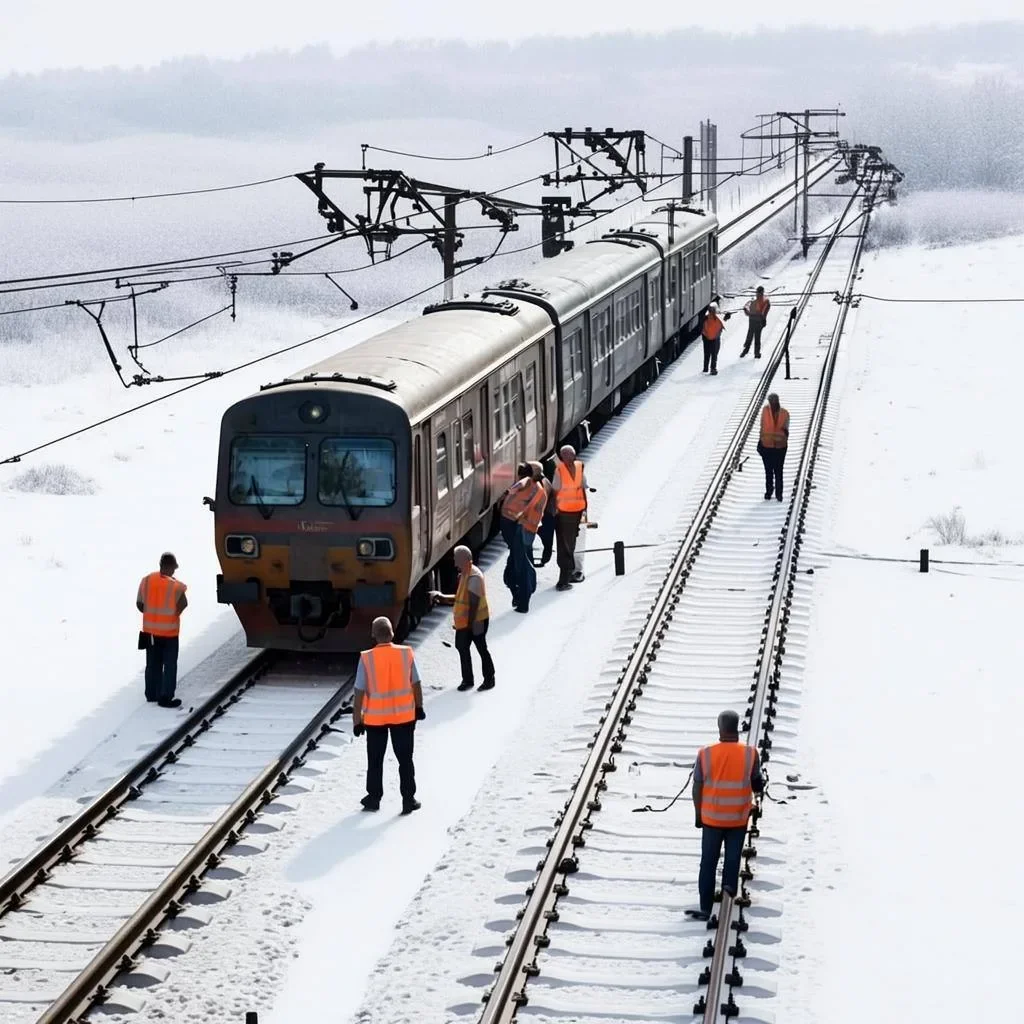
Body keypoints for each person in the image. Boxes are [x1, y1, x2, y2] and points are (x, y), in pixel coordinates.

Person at [688, 710, 765, 921]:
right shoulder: (750, 753)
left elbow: (697, 788)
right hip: (738, 818)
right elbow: (757, 782)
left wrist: (698, 815)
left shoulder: (706, 754)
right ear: (737, 727)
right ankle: (727, 897)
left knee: (708, 862)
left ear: (719, 727)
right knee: (732, 860)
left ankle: (705, 907)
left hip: (712, 819)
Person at [351, 616, 424, 815]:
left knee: (375, 761)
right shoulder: (406, 654)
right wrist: (419, 707)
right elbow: (416, 683)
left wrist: (357, 721)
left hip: (375, 720)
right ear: (392, 633)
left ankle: (374, 798)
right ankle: (408, 799)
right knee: (405, 760)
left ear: (373, 635)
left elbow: (359, 691)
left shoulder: (366, 658)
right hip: (404, 718)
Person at [431, 545, 495, 691]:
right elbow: (460, 598)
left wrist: (467, 626)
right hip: (465, 623)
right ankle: (467, 680)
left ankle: (489, 679)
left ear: (465, 560)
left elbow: (473, 605)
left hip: (477, 621)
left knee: (481, 648)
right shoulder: (464, 575)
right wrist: (442, 597)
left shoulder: (474, 577)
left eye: (457, 560)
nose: (455, 563)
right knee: (462, 647)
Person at [136, 552, 188, 709]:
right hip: (170, 633)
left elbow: (140, 604)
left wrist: (153, 615)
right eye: (173, 568)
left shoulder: (146, 581)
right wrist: (171, 615)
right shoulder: (175, 586)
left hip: (150, 632)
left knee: (152, 664)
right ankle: (165, 697)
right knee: (170, 664)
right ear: (170, 567)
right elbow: (183, 604)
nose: (174, 572)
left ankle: (152, 694)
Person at [500, 463, 546, 612]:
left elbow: (529, 516)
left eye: (522, 473)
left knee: (520, 570)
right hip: (523, 531)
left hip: (522, 532)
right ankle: (520, 596)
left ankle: (523, 602)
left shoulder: (531, 488)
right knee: (515, 569)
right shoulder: (535, 488)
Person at [552, 444, 588, 591]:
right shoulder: (578, 468)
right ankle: (565, 578)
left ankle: (565, 579)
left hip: (568, 513)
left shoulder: (560, 470)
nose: (567, 459)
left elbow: (555, 490)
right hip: (571, 513)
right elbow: (584, 487)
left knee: (566, 545)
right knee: (568, 545)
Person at [756, 392, 790, 502]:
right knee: (769, 471)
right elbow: (762, 427)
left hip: (780, 447)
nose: (773, 403)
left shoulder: (785, 413)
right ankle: (769, 491)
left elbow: (786, 430)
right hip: (767, 446)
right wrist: (760, 441)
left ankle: (779, 494)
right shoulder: (765, 411)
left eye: (774, 401)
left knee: (778, 471)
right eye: (771, 401)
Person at [534, 463, 556, 568]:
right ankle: (544, 559)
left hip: (546, 515)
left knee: (546, 540)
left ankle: (544, 560)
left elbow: (541, 503)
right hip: (547, 514)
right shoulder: (544, 480)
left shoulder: (542, 484)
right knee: (547, 540)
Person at [740, 286, 771, 359]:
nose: (758, 294)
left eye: (759, 292)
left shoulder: (761, 301)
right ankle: (753, 352)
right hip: (755, 321)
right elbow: (762, 312)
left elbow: (762, 312)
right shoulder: (761, 301)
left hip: (756, 321)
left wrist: (748, 312)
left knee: (752, 336)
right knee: (754, 337)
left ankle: (749, 351)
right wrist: (747, 310)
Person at [702, 304, 726, 375]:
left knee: (707, 353)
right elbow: (721, 326)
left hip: (706, 338)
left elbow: (703, 329)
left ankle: (705, 368)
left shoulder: (705, 318)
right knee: (714, 354)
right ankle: (713, 369)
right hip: (715, 339)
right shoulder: (717, 319)